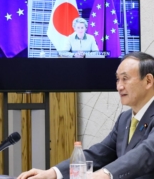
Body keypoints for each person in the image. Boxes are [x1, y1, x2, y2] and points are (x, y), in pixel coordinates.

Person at [17, 51, 154, 179]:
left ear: (148, 81)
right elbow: (99, 154)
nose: (119, 86)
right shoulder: (124, 119)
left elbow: (146, 153)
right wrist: (53, 173)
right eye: (117, 79)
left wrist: (104, 174)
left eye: (125, 79)